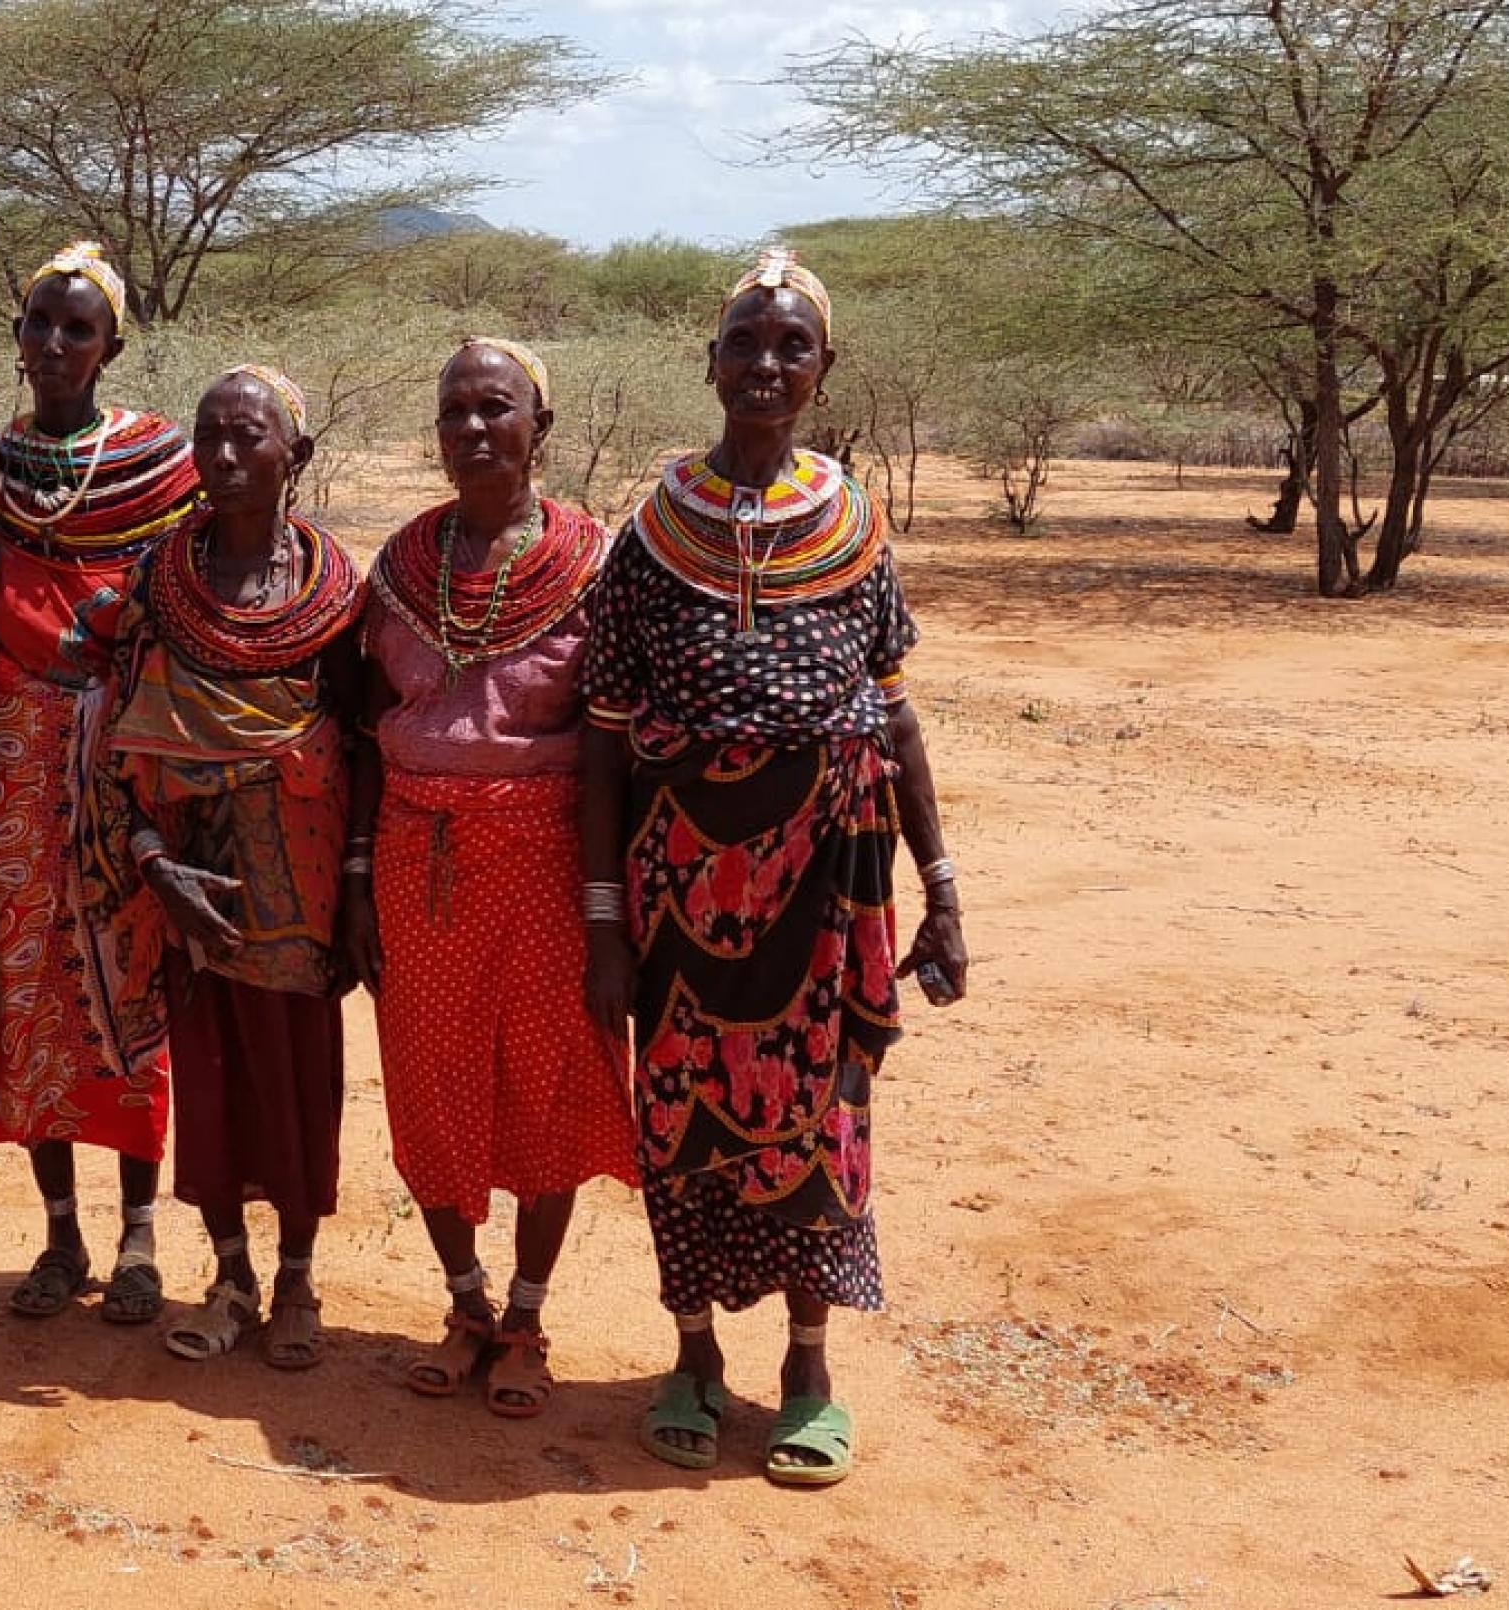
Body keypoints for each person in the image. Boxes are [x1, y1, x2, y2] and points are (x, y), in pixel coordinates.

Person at [579, 248, 970, 1487]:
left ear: (823, 369)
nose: (764, 364)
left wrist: (945, 888)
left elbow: (896, 716)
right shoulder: (650, 533)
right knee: (680, 1114)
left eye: (790, 345)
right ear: (710, 362)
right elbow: (600, 745)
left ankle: (807, 1364)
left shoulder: (854, 525)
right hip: (681, 897)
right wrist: (603, 919)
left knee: (822, 1117)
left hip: (827, 895)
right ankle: (691, 1352)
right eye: (744, 341)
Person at [352, 337, 635, 1418]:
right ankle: (464, 1300)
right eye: (455, 409)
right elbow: (358, 727)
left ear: (540, 428)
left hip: (549, 867)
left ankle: (526, 1313)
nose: (474, 428)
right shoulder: (399, 566)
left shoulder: (593, 562)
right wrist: (357, 875)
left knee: (548, 1085)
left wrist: (613, 912)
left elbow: (620, 742)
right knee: (432, 1079)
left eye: (497, 407)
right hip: (420, 871)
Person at [102, 365, 364, 1371]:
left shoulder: (335, 591)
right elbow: (118, 739)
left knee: (296, 1074)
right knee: (209, 1073)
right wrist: (154, 860)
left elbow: (361, 737)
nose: (221, 457)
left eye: (247, 437)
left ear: (293, 455)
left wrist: (351, 884)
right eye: (208, 436)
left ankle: (297, 1275)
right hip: (189, 870)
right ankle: (229, 1273)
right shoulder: (160, 583)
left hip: (297, 871)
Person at [0, 242, 199, 1326]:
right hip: (11, 764)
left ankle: (140, 1234)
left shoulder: (160, 465)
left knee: (127, 988)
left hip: (121, 762)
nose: (55, 346)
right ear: (18, 340)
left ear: (112, 344)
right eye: (40, 326)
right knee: (31, 1002)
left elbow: (184, 603)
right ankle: (59, 1234)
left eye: (78, 329)